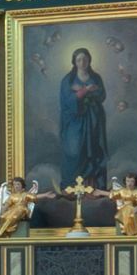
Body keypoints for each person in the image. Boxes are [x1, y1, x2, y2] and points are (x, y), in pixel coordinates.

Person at [55, 41, 110, 188]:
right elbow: (67, 101)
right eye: (79, 60)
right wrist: (85, 91)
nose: (82, 62)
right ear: (74, 62)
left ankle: (92, 187)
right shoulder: (68, 80)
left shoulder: (96, 77)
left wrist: (85, 92)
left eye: (85, 59)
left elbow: (102, 95)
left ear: (89, 60)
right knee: (74, 151)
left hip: (93, 120)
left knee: (94, 150)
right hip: (74, 122)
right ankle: (71, 187)